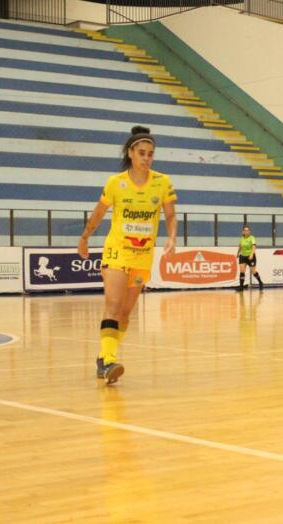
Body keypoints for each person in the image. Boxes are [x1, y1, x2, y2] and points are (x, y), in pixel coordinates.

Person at [78, 126, 177, 384]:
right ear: (131, 153)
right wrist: (85, 237)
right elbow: (99, 213)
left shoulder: (162, 182)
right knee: (112, 304)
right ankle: (109, 362)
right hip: (117, 251)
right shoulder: (116, 183)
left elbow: (171, 214)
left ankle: (103, 355)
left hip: (142, 256)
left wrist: (172, 237)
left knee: (125, 313)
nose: (147, 158)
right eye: (142, 153)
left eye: (151, 154)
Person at [235, 225, 264, 291]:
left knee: (253, 271)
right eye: (245, 230)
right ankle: (241, 287)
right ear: (243, 232)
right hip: (242, 256)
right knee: (242, 271)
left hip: (250, 257)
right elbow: (240, 246)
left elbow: (254, 246)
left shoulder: (252, 238)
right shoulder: (241, 238)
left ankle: (260, 282)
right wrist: (238, 253)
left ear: (249, 231)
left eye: (247, 230)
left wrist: (251, 254)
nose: (246, 231)